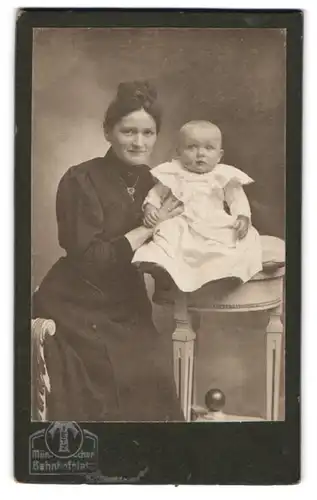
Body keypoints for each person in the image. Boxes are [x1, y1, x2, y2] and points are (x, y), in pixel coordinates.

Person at [32, 80, 184, 422]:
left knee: (154, 371)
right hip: (76, 301)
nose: (139, 142)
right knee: (111, 378)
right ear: (107, 132)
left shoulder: (154, 181)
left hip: (126, 303)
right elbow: (88, 259)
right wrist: (145, 228)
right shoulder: (80, 179)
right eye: (128, 132)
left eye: (148, 133)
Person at [133, 120, 262, 292]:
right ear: (179, 152)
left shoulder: (223, 175)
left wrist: (243, 216)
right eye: (192, 147)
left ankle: (224, 272)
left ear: (219, 155)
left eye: (209, 148)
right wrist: (150, 208)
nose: (200, 154)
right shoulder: (173, 172)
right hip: (182, 221)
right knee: (168, 235)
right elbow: (156, 194)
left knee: (240, 238)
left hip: (212, 220)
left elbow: (238, 200)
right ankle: (161, 264)